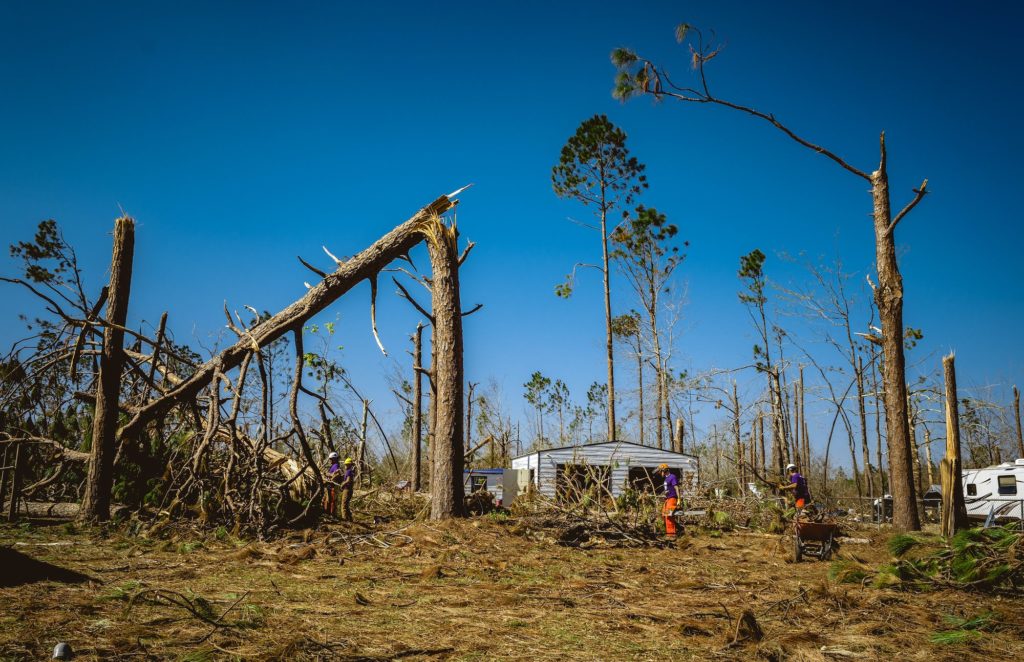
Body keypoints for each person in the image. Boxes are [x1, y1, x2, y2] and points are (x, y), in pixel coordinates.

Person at [656, 464, 681, 539]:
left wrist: (679, 499)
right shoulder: (666, 479)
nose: (660, 473)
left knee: (668, 516)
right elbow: (667, 489)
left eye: (661, 471)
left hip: (672, 499)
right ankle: (674, 530)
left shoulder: (672, 477)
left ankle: (671, 535)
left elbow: (676, 488)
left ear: (664, 470)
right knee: (664, 514)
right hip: (667, 499)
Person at [323, 452, 340, 516]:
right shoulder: (332, 466)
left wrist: (328, 475)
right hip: (329, 485)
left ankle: (332, 514)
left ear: (334, 459)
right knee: (327, 500)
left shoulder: (336, 465)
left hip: (333, 486)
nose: (330, 460)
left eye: (331, 459)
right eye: (330, 459)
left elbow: (336, 474)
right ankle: (327, 513)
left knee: (332, 500)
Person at [339, 457, 356, 522]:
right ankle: (350, 520)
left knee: (343, 505)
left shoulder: (349, 471)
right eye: (345, 464)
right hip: (348, 490)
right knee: (346, 505)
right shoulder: (349, 471)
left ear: (349, 465)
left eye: (346, 464)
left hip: (347, 490)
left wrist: (342, 485)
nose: (345, 465)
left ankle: (345, 520)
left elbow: (348, 480)